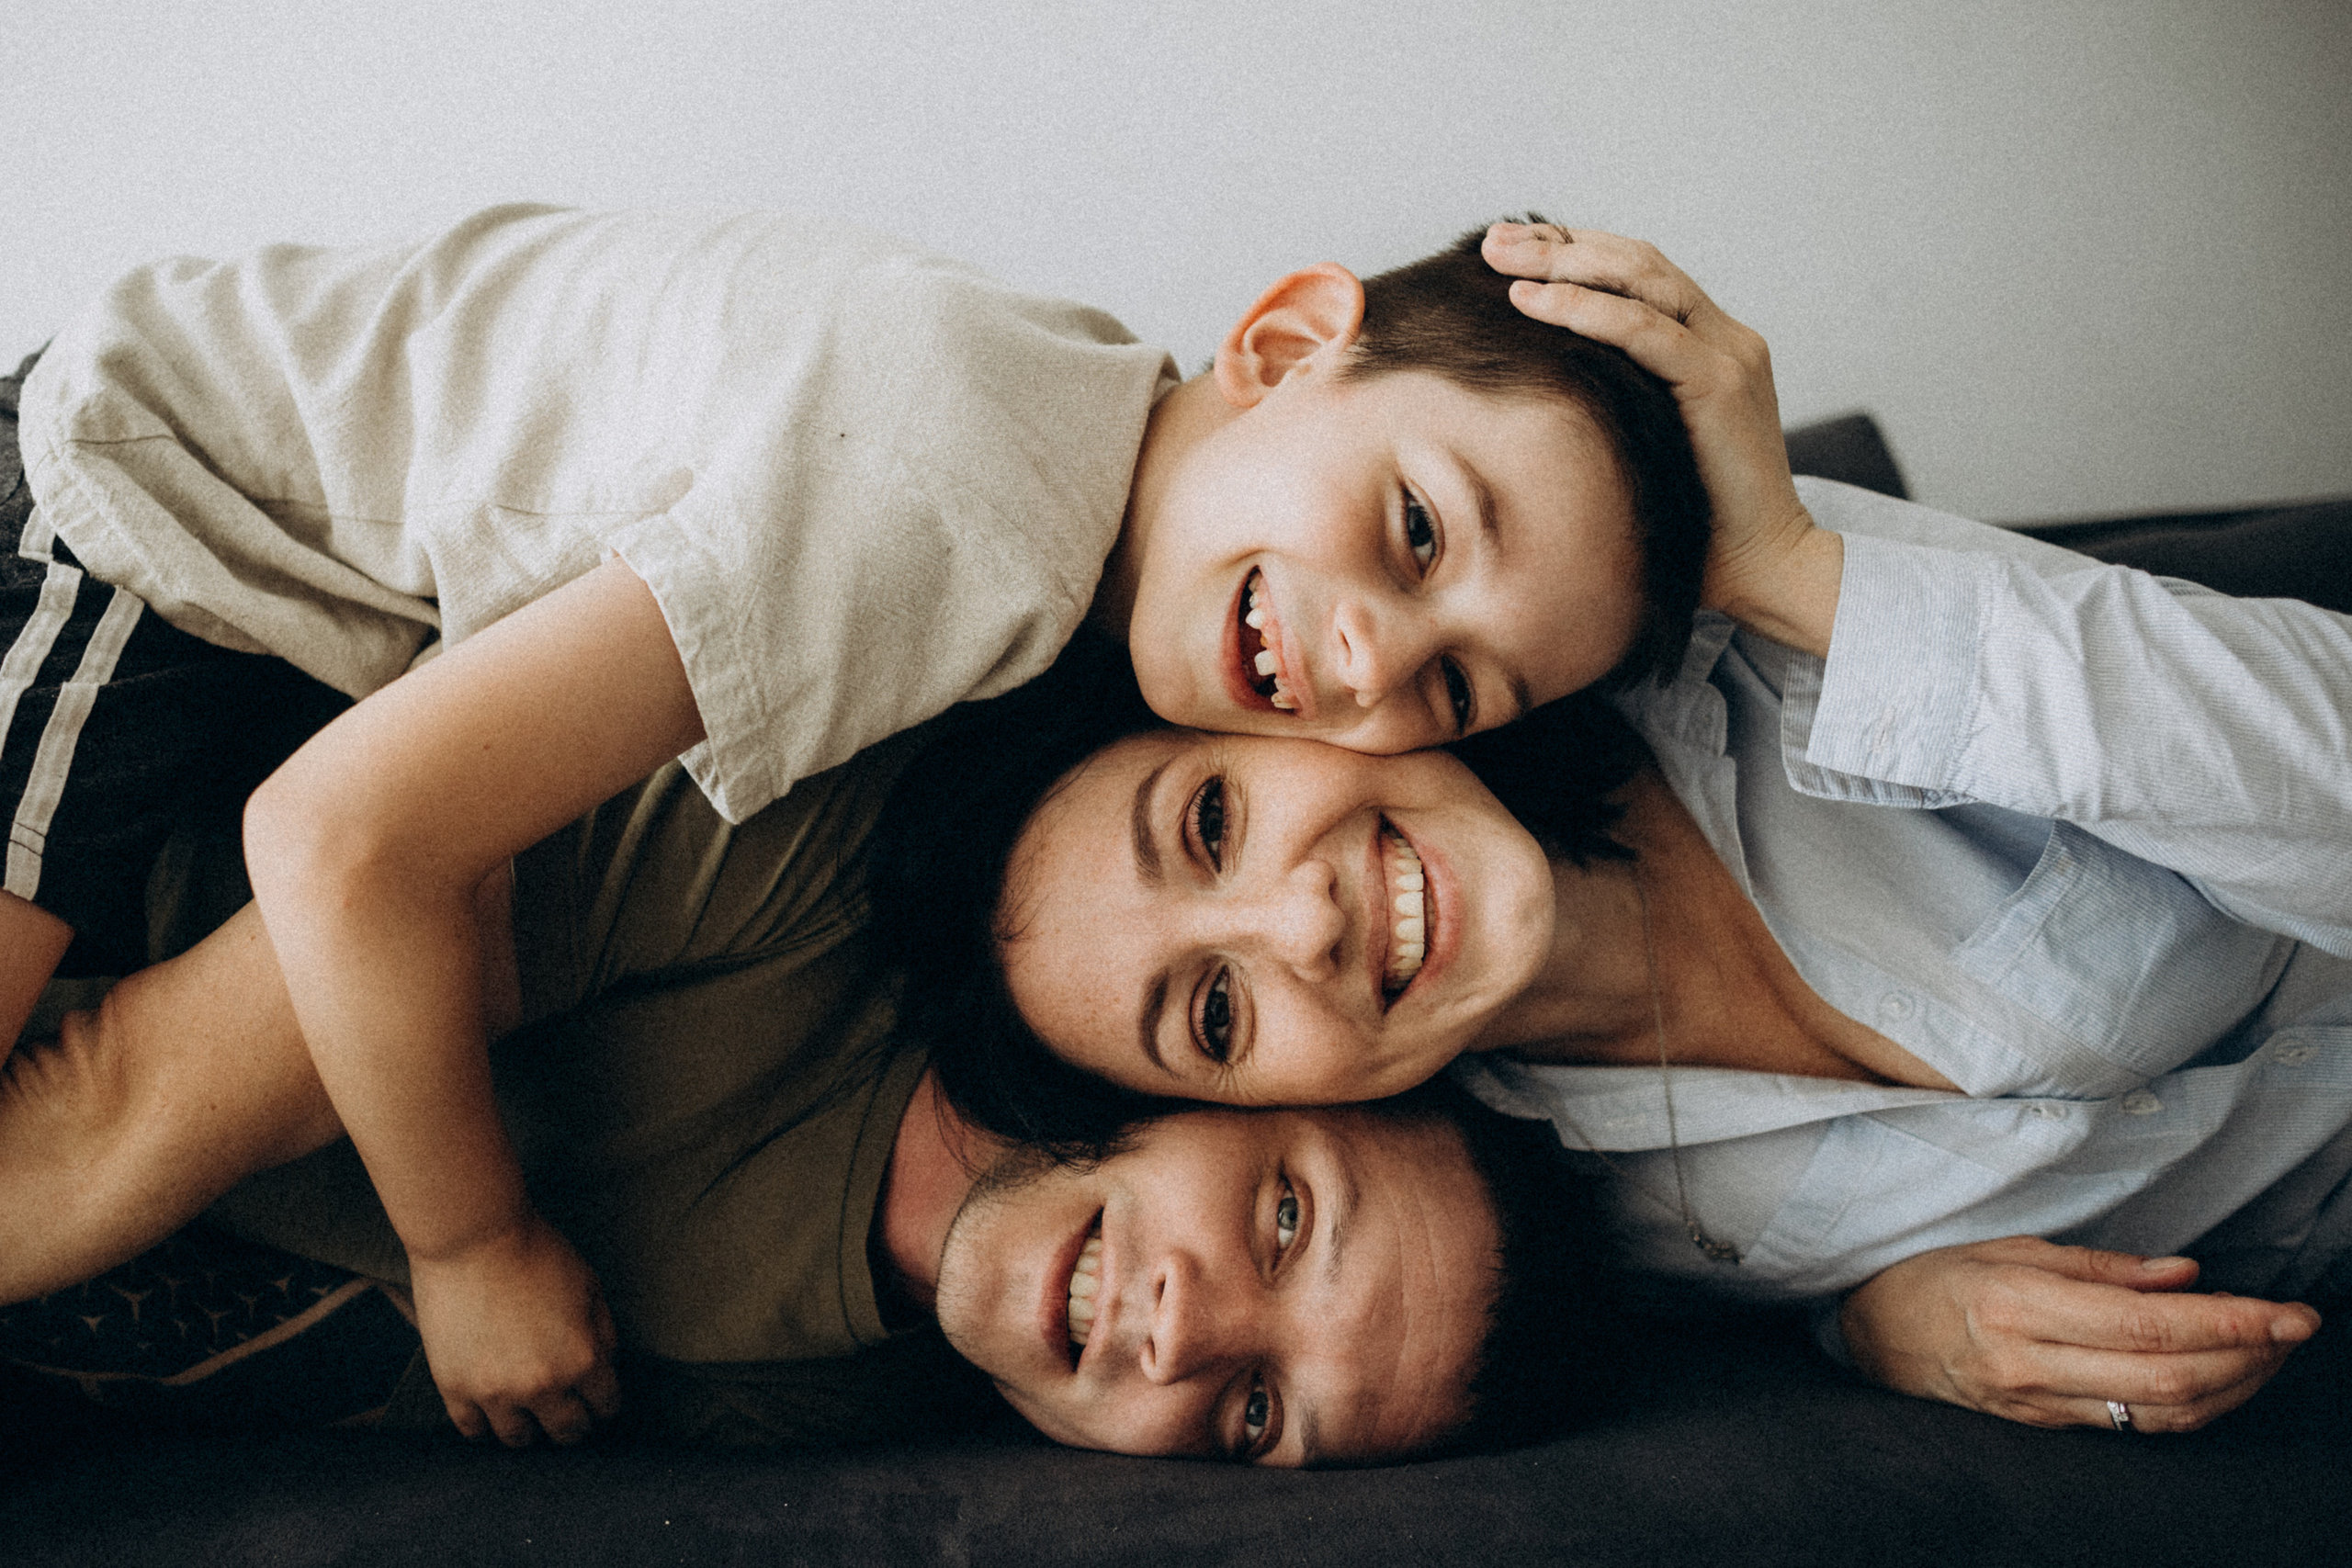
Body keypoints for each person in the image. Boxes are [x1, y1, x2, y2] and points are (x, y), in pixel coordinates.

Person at [0, 209, 1703, 1438]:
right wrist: (475, 1245)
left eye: (1459, 691)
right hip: (124, 502)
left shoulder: (1060, 561)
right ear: (1276, 344)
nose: (1368, 661)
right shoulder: (959, 521)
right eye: (1414, 530)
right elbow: (345, 836)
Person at [870, 224, 2352, 1436]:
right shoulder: (1527, 1209)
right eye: (1211, 1011)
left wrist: (1796, 573)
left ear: (1275, 709)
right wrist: (1872, 1320)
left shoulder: (1760, 643)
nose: (1296, 926)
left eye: (1209, 824)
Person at [2, 727, 1616, 1458]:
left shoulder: (864, 1398)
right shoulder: (807, 858)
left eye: (1258, 1416)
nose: (1187, 1336)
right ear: (1254, 1080)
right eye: (1281, 1219)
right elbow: (108, 1104)